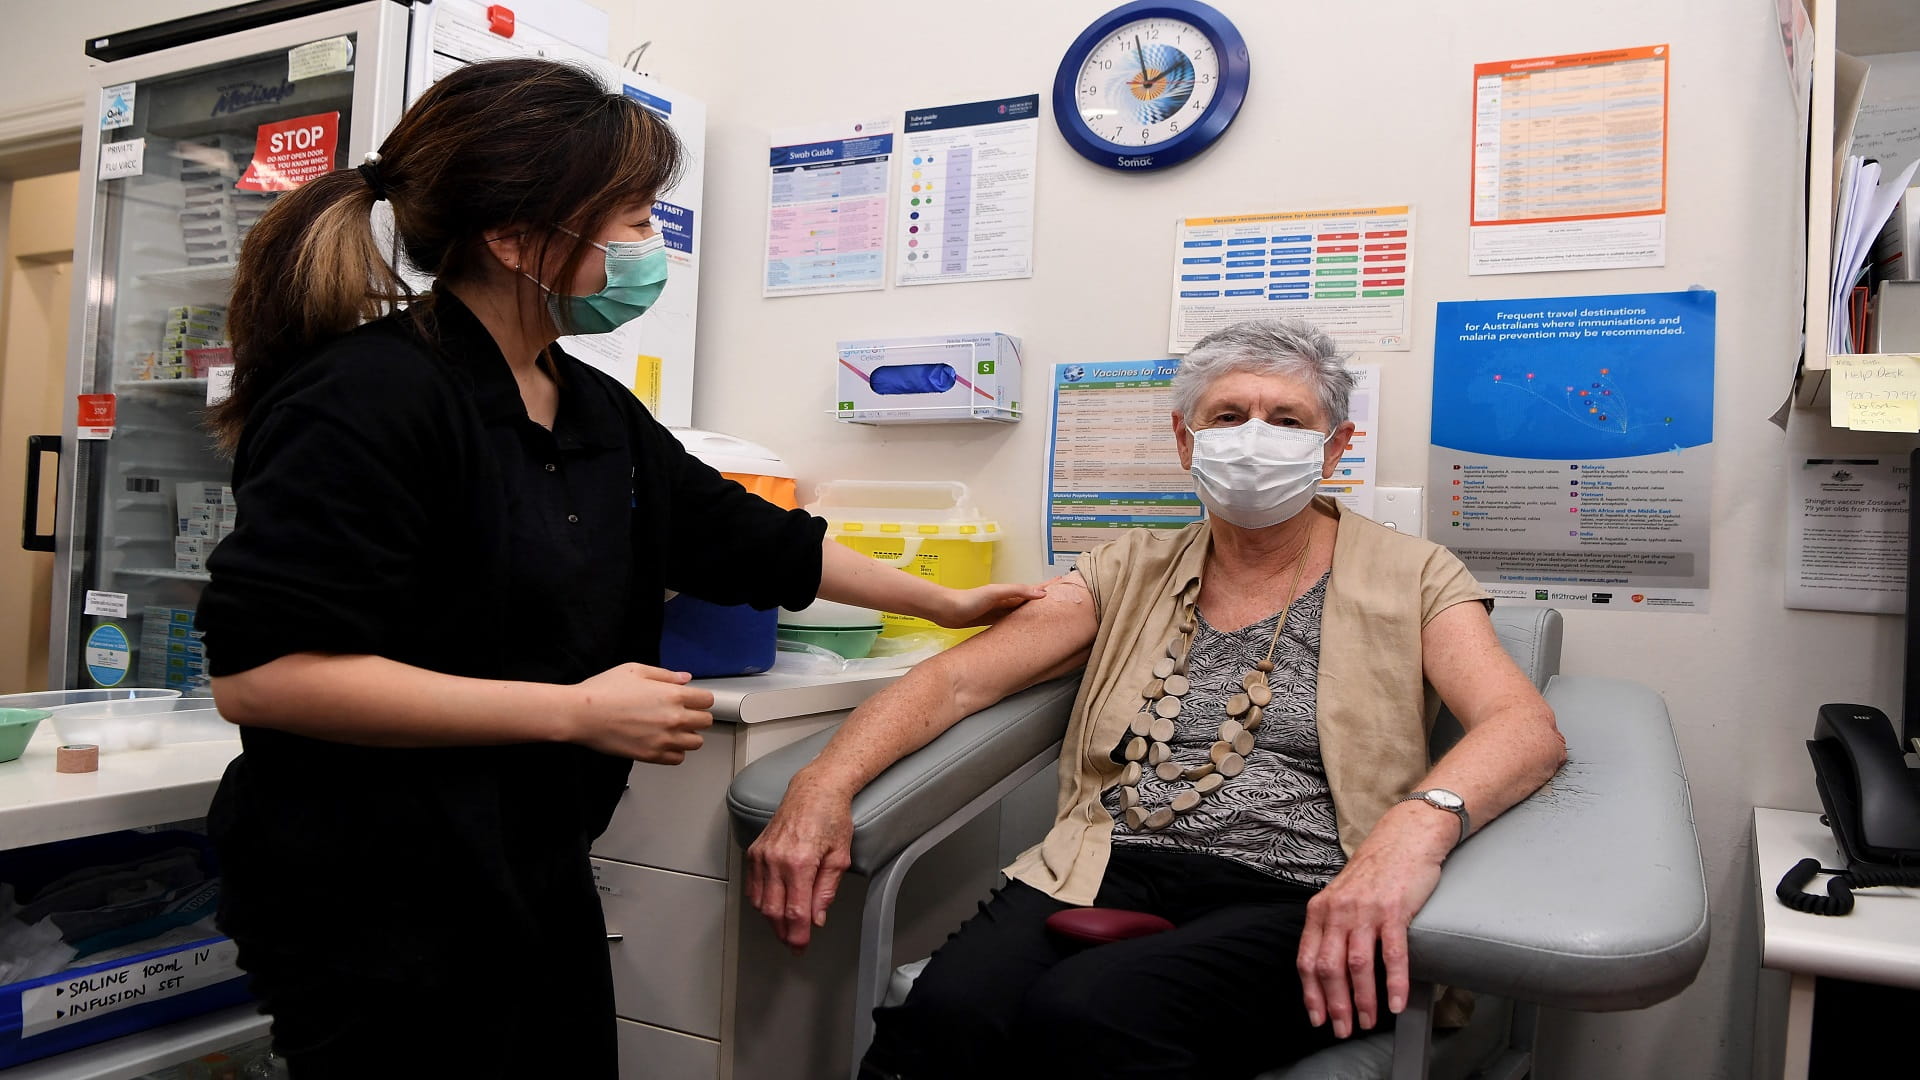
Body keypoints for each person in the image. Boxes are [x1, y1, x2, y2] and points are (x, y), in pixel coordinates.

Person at [197, 59, 1040, 1079]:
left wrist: (950, 601)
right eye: (634, 220)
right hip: (369, 883)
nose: (651, 247)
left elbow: (753, 538)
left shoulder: (586, 405)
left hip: (529, 861)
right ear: (516, 240)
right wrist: (572, 712)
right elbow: (267, 678)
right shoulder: (367, 399)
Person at [745, 319, 1570, 1079]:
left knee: (1092, 1012)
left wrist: (1414, 830)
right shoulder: (1126, 567)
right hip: (1105, 864)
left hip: (1302, 888)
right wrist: (824, 783)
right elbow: (956, 680)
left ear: (1334, 448)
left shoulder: (1414, 574)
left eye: (1287, 419)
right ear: (1185, 440)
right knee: (947, 1017)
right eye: (1227, 416)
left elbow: (1522, 727)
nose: (1254, 437)